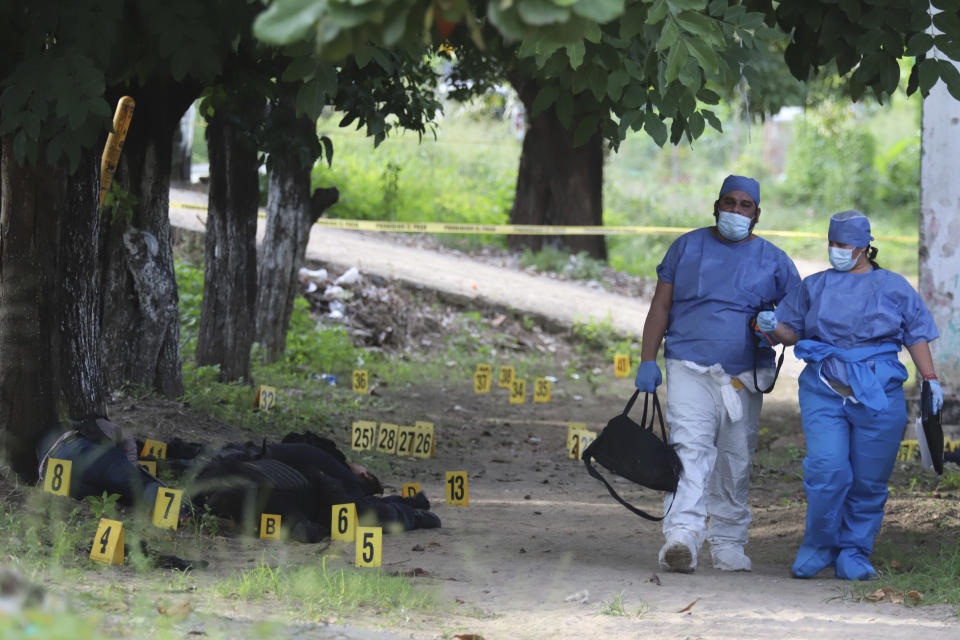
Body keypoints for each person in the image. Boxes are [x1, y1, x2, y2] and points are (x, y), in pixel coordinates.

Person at [756, 209, 942, 580]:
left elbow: (916, 333)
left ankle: (854, 551)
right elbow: (793, 333)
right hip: (825, 386)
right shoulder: (814, 286)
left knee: (869, 479)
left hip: (879, 390)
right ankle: (819, 545)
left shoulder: (892, 286)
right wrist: (774, 327)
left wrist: (931, 378)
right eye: (831, 243)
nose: (835, 251)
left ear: (863, 247)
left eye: (842, 244)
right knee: (827, 468)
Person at [635, 175, 801, 573]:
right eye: (730, 203)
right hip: (688, 365)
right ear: (716, 206)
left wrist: (773, 327)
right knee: (688, 450)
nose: (737, 212)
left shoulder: (775, 262)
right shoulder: (686, 247)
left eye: (746, 206)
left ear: (757, 214)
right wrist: (647, 359)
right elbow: (660, 307)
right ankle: (682, 537)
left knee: (735, 458)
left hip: (743, 374)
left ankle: (728, 541)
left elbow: (796, 325)